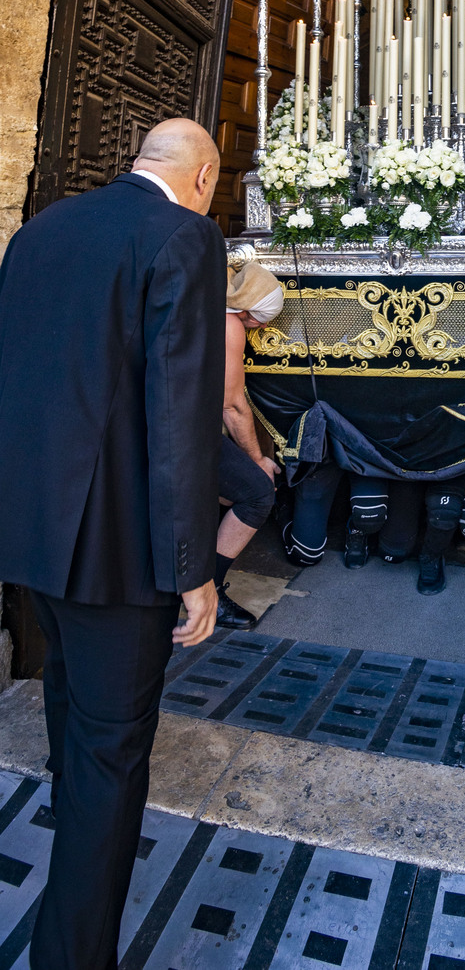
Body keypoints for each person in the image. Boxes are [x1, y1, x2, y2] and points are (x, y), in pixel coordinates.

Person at [0, 118, 225, 970]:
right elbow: (179, 416)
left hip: (30, 528)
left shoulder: (42, 227)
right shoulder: (184, 235)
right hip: (117, 551)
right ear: (202, 176)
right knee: (109, 755)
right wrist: (193, 569)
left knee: (71, 705)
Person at [215, 261, 284, 629]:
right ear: (245, 310)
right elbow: (232, 404)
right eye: (260, 320)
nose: (263, 328)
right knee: (257, 493)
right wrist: (257, 458)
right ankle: (208, 593)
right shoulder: (228, 325)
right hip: (183, 432)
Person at [379, 477, 465, 594]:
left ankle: (431, 556)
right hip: (410, 468)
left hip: (452, 467)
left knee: (443, 515)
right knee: (393, 553)